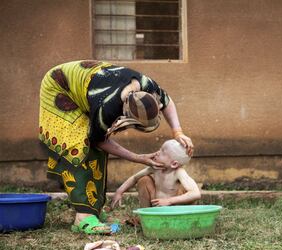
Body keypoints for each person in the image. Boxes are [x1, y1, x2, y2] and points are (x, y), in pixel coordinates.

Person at [39, 60, 193, 234]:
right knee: (80, 149)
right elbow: (98, 140)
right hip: (59, 88)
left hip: (88, 82)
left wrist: (178, 132)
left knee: (97, 154)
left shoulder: (147, 87)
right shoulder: (107, 108)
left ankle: (93, 210)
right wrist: (138, 157)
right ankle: (83, 217)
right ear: (123, 114)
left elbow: (168, 101)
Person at [111, 139, 201, 209]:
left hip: (174, 207)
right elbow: (135, 178)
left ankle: (183, 216)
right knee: (143, 179)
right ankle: (146, 214)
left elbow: (196, 193)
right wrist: (119, 192)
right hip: (156, 205)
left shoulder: (179, 172)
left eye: (163, 152)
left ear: (174, 164)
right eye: (160, 149)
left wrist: (169, 201)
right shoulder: (155, 168)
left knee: (186, 190)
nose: (157, 153)